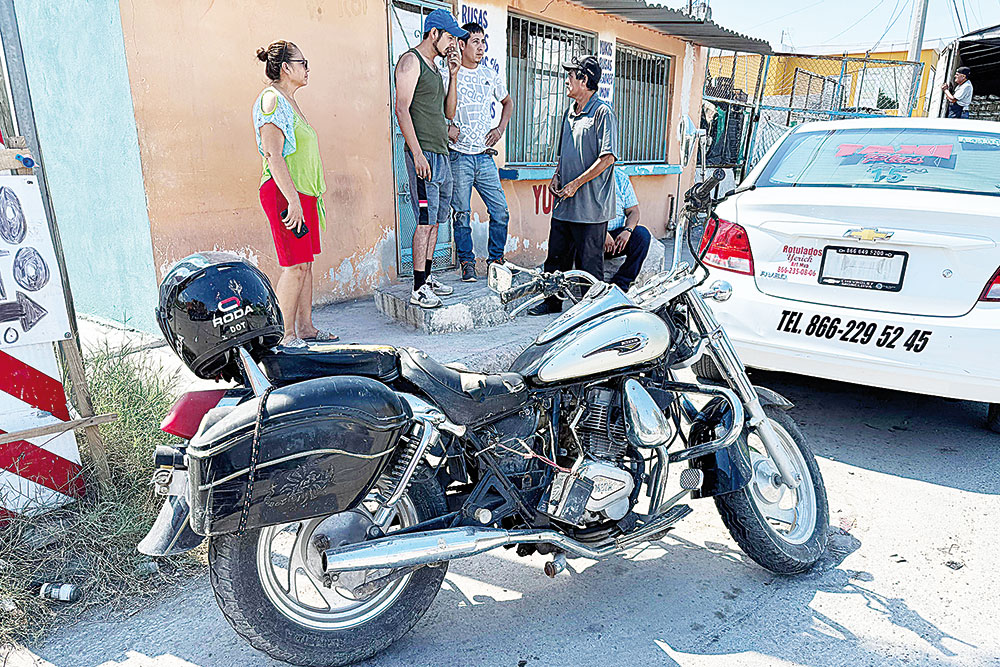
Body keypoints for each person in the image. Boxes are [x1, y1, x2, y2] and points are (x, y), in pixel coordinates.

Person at [253, 40, 337, 347]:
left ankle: (305, 328)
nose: (307, 68)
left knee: (306, 263)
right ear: (286, 68)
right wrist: (292, 201)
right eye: (303, 63)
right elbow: (273, 155)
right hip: (284, 193)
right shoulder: (271, 100)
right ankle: (283, 335)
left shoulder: (289, 101)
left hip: (303, 194)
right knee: (295, 265)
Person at [529, 55, 618, 316]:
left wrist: (577, 184)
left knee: (589, 266)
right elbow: (563, 153)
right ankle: (552, 302)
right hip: (564, 203)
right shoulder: (569, 114)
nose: (567, 80)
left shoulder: (603, 112)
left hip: (591, 208)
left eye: (571, 75)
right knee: (556, 259)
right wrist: (557, 176)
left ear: (585, 80)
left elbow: (607, 158)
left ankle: (592, 313)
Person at [394, 9, 466, 308]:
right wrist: (417, 153)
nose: (453, 43)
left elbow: (448, 112)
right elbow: (401, 109)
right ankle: (418, 287)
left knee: (437, 221)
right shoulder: (411, 61)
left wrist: (453, 75)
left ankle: (428, 275)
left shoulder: (436, 68)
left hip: (442, 154)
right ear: (433, 33)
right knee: (424, 222)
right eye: (449, 37)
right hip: (423, 154)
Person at [443, 22, 513, 282]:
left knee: (500, 211)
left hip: (484, 156)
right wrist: (446, 127)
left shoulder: (490, 74)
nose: (481, 47)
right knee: (461, 214)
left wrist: (500, 129)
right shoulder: (448, 73)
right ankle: (467, 263)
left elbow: (507, 102)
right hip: (459, 156)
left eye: (483, 41)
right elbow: (436, 110)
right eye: (476, 41)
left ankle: (495, 260)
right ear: (462, 44)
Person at [604, 169, 651, 291]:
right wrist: (602, 233)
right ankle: (595, 289)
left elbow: (633, 211)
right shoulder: (587, 178)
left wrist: (627, 231)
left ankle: (621, 284)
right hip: (592, 233)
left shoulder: (620, 178)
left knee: (642, 235)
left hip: (616, 234)